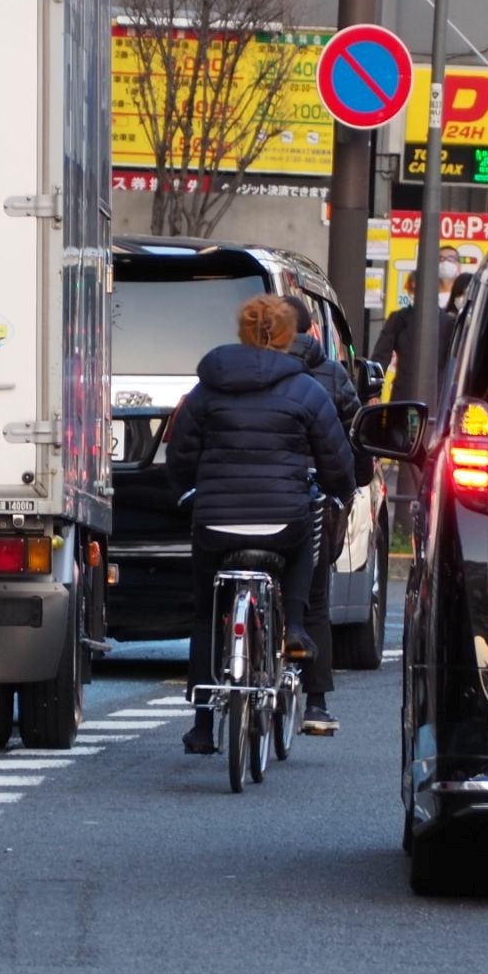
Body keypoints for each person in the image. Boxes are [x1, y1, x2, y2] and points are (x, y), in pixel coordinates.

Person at [165, 294, 355, 757]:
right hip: (283, 519)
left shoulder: (207, 389)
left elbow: (181, 452)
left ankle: (203, 724)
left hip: (216, 522)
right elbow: (334, 456)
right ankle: (292, 625)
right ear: (291, 336)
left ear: (242, 332)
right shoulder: (306, 389)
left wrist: (188, 490)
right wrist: (340, 492)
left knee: (205, 612)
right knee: (303, 550)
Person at [283, 297, 370, 738]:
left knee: (215, 595)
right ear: (312, 333)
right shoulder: (327, 378)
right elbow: (351, 438)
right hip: (305, 501)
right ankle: (315, 702)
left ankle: (209, 710)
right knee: (315, 594)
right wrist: (353, 483)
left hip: (226, 510)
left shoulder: (226, 374)